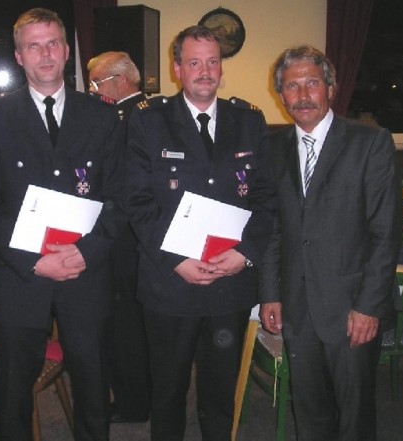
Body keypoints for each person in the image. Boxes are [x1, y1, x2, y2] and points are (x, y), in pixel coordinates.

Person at [0, 8, 125, 441]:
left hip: (85, 272)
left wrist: (85, 252)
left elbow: (119, 198)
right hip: (19, 275)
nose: (45, 54)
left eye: (53, 43)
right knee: (13, 394)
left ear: (67, 51)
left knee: (93, 388)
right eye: (33, 46)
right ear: (19, 56)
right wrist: (33, 261)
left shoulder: (101, 115)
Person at [125, 25, 274, 440]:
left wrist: (246, 253)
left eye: (212, 62)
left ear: (221, 68)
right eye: (194, 62)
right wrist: (177, 259)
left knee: (221, 392)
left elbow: (265, 198)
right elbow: (137, 201)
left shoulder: (249, 121)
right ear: (177, 69)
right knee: (167, 391)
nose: (205, 71)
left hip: (230, 282)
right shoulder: (148, 121)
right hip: (169, 283)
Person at [259, 45, 401, 441]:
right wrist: (270, 293)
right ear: (280, 94)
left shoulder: (369, 143)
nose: (303, 95)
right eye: (292, 86)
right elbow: (273, 228)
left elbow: (385, 233)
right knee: (309, 410)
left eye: (312, 83)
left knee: (354, 416)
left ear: (331, 89)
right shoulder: (274, 149)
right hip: (298, 307)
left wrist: (368, 306)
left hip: (352, 308)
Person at [86, 50, 151, 424]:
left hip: (122, 240)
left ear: (121, 81)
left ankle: (133, 402)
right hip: (136, 239)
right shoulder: (150, 112)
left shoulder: (125, 118)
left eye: (97, 82)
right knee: (135, 325)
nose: (92, 90)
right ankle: (139, 398)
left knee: (124, 327)